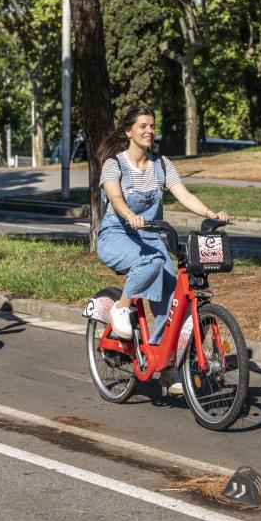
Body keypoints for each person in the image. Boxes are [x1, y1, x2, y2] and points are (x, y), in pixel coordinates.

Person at [97, 106, 228, 393]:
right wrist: (129, 214)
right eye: (143, 126)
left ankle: (165, 365)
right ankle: (121, 308)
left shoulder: (162, 164)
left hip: (152, 239)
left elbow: (183, 195)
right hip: (117, 235)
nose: (149, 131)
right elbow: (115, 197)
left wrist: (210, 213)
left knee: (175, 304)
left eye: (152, 126)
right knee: (153, 262)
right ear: (129, 132)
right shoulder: (114, 165)